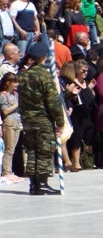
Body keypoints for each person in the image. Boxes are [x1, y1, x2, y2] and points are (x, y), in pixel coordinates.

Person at [17, 41, 66, 195]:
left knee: (32, 151)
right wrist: (60, 121)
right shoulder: (44, 75)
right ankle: (42, 184)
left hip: (28, 119)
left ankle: (33, 184)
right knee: (45, 151)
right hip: (43, 119)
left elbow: (21, 100)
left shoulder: (24, 75)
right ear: (45, 56)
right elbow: (53, 101)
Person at [0, 72, 23, 182]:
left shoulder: (15, 94)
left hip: (17, 121)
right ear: (8, 83)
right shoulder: (3, 96)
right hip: (9, 122)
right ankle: (6, 173)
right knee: (9, 149)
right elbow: (5, 111)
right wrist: (17, 104)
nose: (16, 84)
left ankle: (10, 171)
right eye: (15, 82)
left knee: (13, 148)